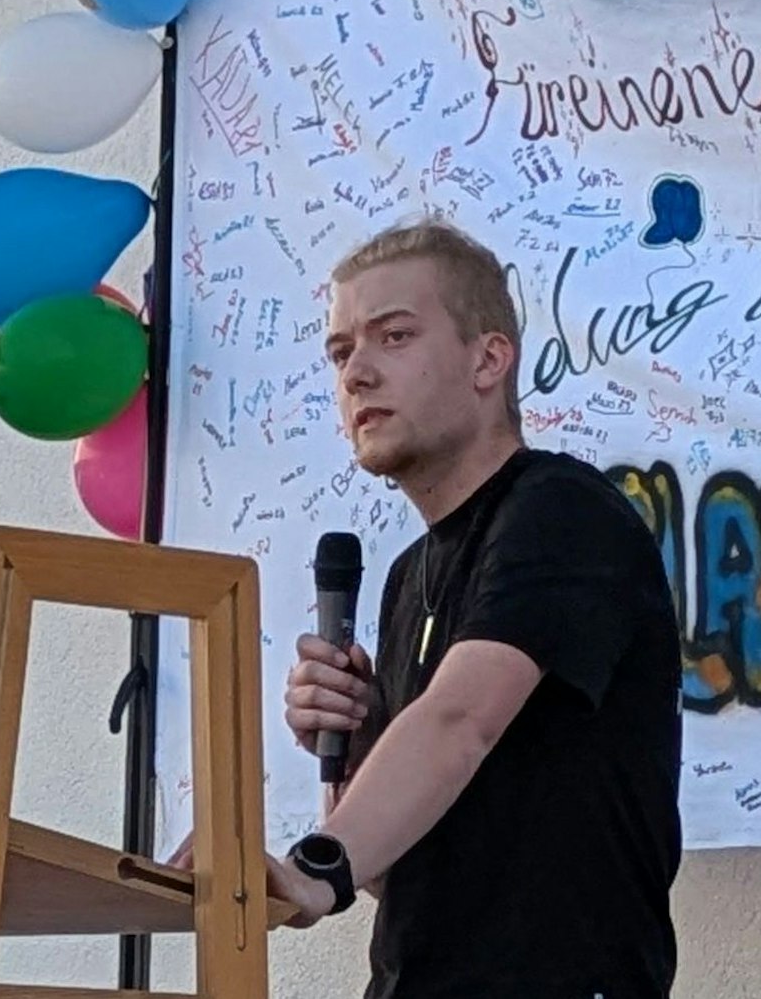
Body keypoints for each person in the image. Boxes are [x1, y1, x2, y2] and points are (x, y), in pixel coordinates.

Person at [269, 217, 684, 998]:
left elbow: (462, 721)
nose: (355, 372)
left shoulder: (561, 511)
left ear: (489, 358)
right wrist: (351, 743)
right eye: (340, 350)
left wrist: (313, 863)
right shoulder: (406, 577)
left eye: (392, 337)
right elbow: (388, 872)